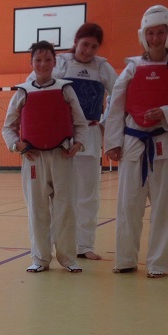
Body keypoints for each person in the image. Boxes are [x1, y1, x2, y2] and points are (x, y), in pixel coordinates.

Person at [105, 6, 168, 278]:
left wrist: (166, 113)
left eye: (160, 32)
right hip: (133, 142)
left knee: (162, 208)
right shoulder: (132, 67)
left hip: (164, 144)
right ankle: (125, 259)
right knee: (128, 205)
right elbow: (115, 106)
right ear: (142, 35)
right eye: (150, 33)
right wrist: (112, 142)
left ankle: (158, 264)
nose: (155, 38)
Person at [2, 41, 89, 273]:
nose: (43, 64)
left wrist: (78, 143)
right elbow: (8, 127)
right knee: (37, 210)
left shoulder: (65, 89)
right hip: (33, 159)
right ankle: (40, 258)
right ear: (31, 63)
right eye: (38, 60)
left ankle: (68, 258)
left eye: (48, 59)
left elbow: (80, 123)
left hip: (62, 156)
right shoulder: (22, 92)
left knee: (66, 208)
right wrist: (17, 145)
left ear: (54, 62)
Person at [54, 23, 118, 260]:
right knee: (59, 194)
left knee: (88, 195)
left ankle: (84, 245)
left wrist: (105, 122)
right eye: (85, 44)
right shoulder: (60, 63)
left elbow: (120, 95)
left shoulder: (102, 67)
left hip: (90, 135)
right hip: (62, 136)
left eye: (93, 47)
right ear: (76, 42)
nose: (88, 51)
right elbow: (38, 88)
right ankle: (54, 243)